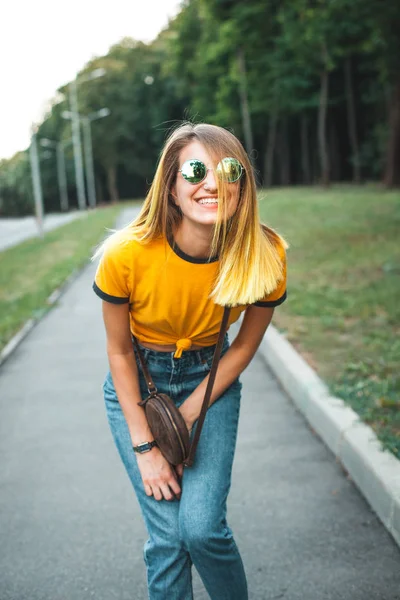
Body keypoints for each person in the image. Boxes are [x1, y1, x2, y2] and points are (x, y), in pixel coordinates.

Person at [92, 122, 288, 600]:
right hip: (140, 387)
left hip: (213, 379)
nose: (213, 184)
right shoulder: (127, 255)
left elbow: (242, 347)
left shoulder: (265, 254)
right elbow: (119, 351)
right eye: (196, 171)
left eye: (229, 170)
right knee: (168, 538)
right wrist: (147, 447)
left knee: (201, 530)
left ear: (243, 184)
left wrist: (188, 412)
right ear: (172, 187)